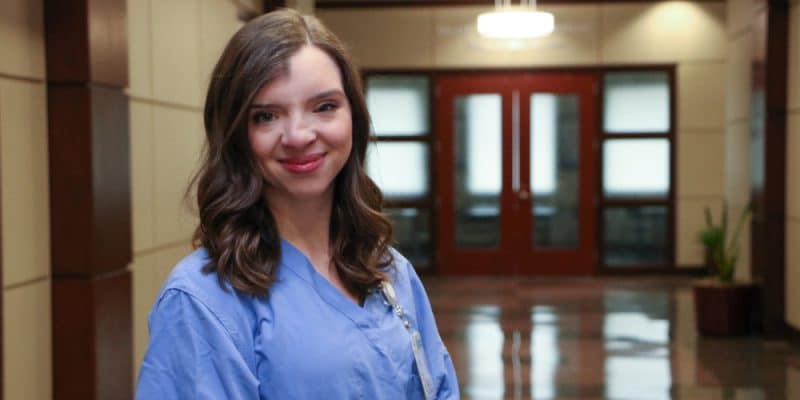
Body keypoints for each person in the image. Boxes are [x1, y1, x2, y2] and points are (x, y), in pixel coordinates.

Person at [135, 8, 459, 399]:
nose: (299, 135)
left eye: (324, 107)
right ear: (236, 133)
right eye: (267, 115)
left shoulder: (388, 270)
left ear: (353, 118)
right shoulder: (204, 300)